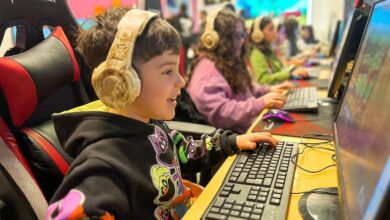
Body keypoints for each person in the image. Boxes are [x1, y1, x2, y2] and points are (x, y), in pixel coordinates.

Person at [45, 8, 279, 219]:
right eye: (168, 71)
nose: (182, 81)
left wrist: (231, 142)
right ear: (120, 81)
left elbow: (184, 152)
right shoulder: (105, 163)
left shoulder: (151, 124)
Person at [187, 9, 290, 134]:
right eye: (237, 35)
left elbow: (244, 91)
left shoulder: (226, 61)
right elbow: (220, 113)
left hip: (247, 129)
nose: (242, 40)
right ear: (217, 39)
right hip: (234, 141)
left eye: (243, 35)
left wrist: (269, 90)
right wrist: (260, 103)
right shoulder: (207, 71)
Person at [248, 16, 308, 85]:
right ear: (259, 34)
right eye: (270, 29)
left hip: (280, 86)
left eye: (274, 28)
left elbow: (280, 69)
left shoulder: (270, 49)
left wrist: (293, 71)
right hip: (271, 92)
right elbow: (263, 80)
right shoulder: (256, 53)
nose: (275, 32)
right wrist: (289, 74)